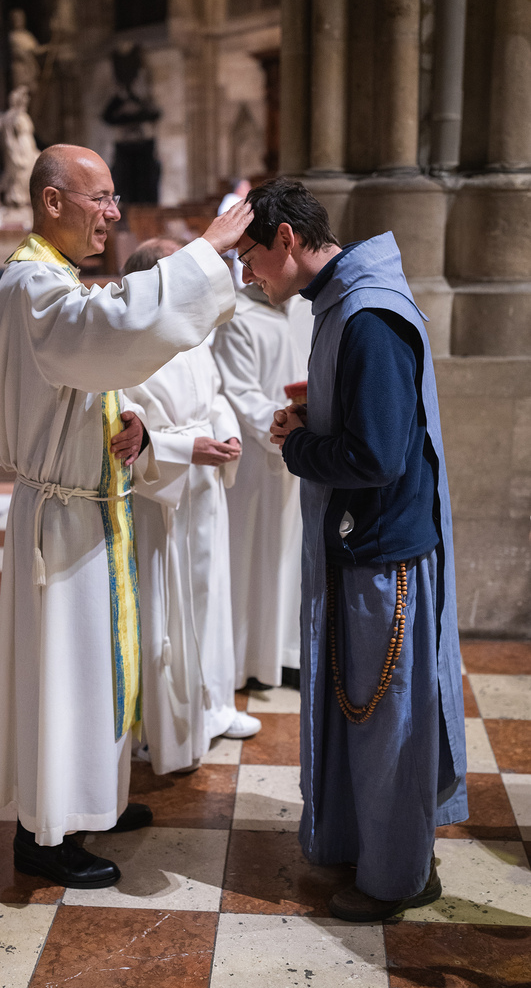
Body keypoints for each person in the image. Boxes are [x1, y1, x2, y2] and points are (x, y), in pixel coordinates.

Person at [0, 144, 253, 889]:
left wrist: (124, 419)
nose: (111, 213)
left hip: (89, 510)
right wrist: (204, 253)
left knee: (97, 671)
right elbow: (105, 331)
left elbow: (85, 378)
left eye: (113, 198)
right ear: (52, 202)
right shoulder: (33, 284)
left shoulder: (55, 280)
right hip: (62, 524)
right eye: (98, 197)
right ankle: (45, 834)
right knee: (65, 677)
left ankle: (90, 800)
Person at [238, 177, 467, 922]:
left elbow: (376, 458)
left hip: (383, 552)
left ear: (285, 239)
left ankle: (399, 877)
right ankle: (366, 844)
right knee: (361, 713)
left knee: (385, 717)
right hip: (364, 545)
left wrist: (299, 445)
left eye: (249, 257)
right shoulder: (340, 301)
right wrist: (317, 414)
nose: (247, 274)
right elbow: (374, 423)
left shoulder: (367, 315)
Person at [123, 238, 262, 775]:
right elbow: (123, 430)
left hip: (205, 490)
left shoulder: (193, 333)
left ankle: (214, 705)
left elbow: (217, 396)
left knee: (210, 595)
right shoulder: (128, 346)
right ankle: (166, 729)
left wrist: (227, 434)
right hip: (162, 495)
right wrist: (187, 450)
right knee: (168, 610)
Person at [212, 282, 309, 689]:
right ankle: (248, 661)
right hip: (258, 459)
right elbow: (239, 391)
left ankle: (288, 655)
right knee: (253, 556)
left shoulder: (308, 310)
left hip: (304, 452)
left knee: (291, 557)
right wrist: (285, 424)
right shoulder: (238, 318)